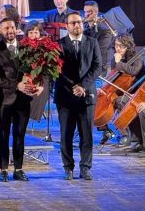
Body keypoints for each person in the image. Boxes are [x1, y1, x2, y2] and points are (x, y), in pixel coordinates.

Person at [0, 18, 44, 182]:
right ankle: (4, 169)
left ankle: (19, 169)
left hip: (23, 100)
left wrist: (39, 84)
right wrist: (16, 85)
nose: (10, 30)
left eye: (12, 27)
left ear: (17, 29)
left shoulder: (26, 47)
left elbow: (36, 70)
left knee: (20, 134)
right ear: (0, 30)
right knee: (4, 134)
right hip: (4, 101)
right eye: (6, 28)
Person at [56, 12, 101, 180]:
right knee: (66, 134)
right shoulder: (59, 45)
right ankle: (68, 167)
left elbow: (97, 67)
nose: (77, 25)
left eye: (79, 22)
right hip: (66, 97)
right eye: (73, 23)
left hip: (86, 95)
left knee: (87, 134)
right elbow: (57, 71)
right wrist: (73, 86)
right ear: (66, 26)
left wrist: (82, 86)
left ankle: (85, 167)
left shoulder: (92, 42)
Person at [97, 34, 145, 145]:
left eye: (121, 46)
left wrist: (119, 63)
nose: (118, 48)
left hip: (133, 91)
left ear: (128, 46)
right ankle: (106, 131)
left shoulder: (137, 57)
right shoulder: (117, 56)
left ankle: (126, 134)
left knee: (118, 101)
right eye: (116, 45)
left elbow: (133, 71)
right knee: (97, 100)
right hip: (119, 89)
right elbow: (113, 74)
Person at [83, 0, 115, 73]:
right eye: (85, 12)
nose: (86, 15)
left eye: (89, 12)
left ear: (96, 12)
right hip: (85, 67)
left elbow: (98, 51)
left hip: (98, 69)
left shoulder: (105, 30)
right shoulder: (84, 27)